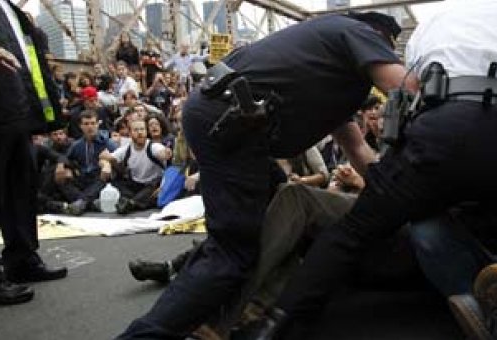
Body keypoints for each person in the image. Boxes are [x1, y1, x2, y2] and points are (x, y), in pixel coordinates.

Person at [234, 0, 497, 338]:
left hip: (445, 133)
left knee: (353, 232)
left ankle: (275, 325)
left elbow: (412, 88)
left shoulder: (440, 18)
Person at [117, 11, 413, 339]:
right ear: (378, 37)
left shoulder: (333, 76)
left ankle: (236, 311)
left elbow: (357, 149)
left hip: (235, 122)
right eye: (387, 47)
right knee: (231, 251)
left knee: (275, 211)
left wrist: (389, 194)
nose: (384, 54)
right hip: (234, 122)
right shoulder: (354, 32)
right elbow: (408, 86)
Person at [0, 0, 67, 305]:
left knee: (21, 188)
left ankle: (22, 259)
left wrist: (45, 112)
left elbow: (31, 60)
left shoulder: (8, 8)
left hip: (18, 110)